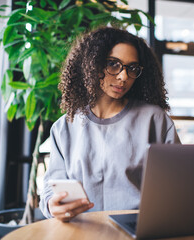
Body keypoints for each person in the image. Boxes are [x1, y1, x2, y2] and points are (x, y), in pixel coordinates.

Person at [39, 27, 181, 221]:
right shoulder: (64, 127)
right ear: (92, 64)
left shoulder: (155, 120)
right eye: (113, 64)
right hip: (82, 230)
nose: (123, 77)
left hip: (138, 230)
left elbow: (179, 185)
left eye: (132, 68)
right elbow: (50, 188)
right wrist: (51, 205)